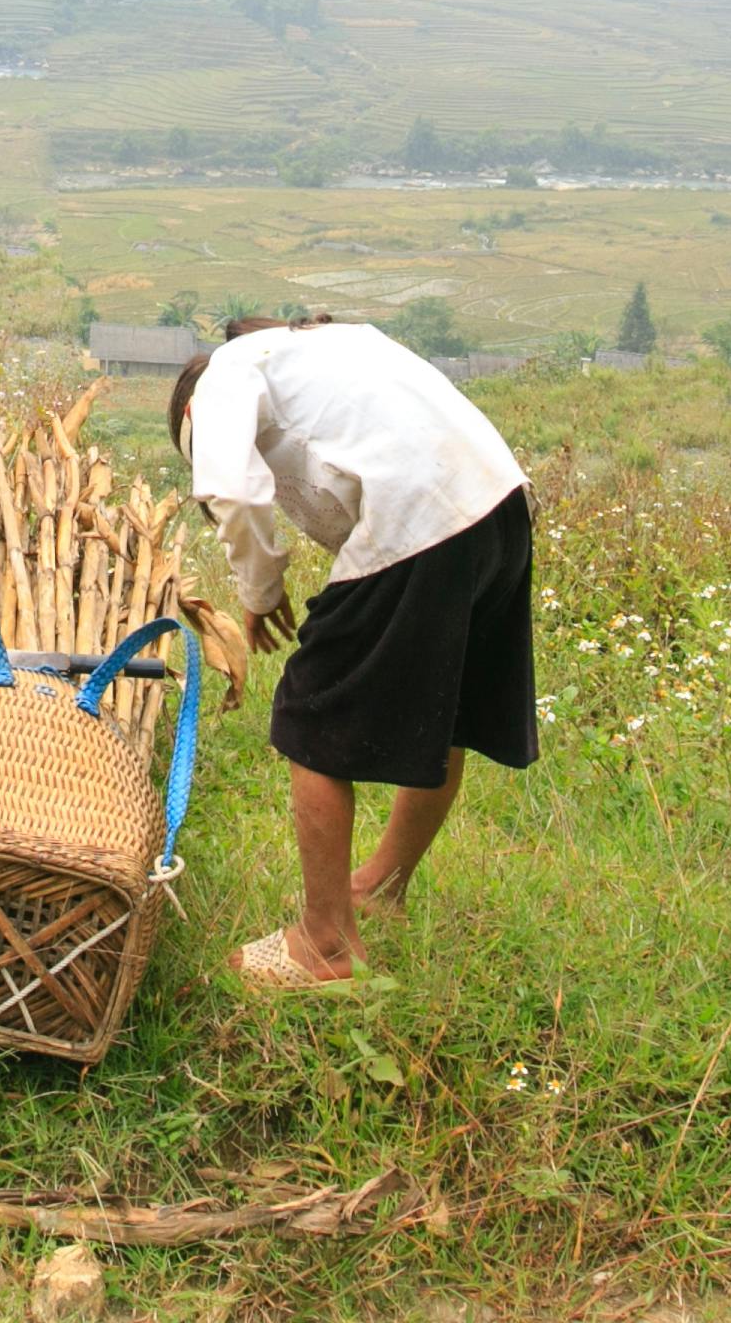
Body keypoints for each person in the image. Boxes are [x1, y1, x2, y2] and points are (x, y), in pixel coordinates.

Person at [170, 314, 534, 989]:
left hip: (420, 521)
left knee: (311, 715)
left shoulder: (223, 376)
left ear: (190, 411)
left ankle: (326, 946)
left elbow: (233, 491)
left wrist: (259, 591)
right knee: (445, 706)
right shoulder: (334, 342)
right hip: (500, 505)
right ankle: (382, 889)